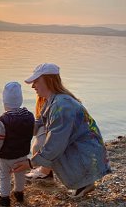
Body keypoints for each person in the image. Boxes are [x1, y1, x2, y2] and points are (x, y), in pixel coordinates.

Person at [13, 63, 111, 198]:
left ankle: (84, 181)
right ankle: (84, 181)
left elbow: (55, 144)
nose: (33, 86)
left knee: (51, 148)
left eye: (36, 81)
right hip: (87, 151)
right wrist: (16, 129)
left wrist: (30, 163)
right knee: (47, 142)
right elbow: (40, 124)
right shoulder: (53, 100)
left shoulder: (62, 105)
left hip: (88, 156)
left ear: (48, 81)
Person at [0, 82, 35, 206]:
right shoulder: (29, 116)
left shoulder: (3, 121)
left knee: (4, 176)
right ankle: (19, 193)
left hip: (5, 157)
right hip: (22, 154)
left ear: (4, 102)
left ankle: (4, 197)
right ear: (20, 100)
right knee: (19, 174)